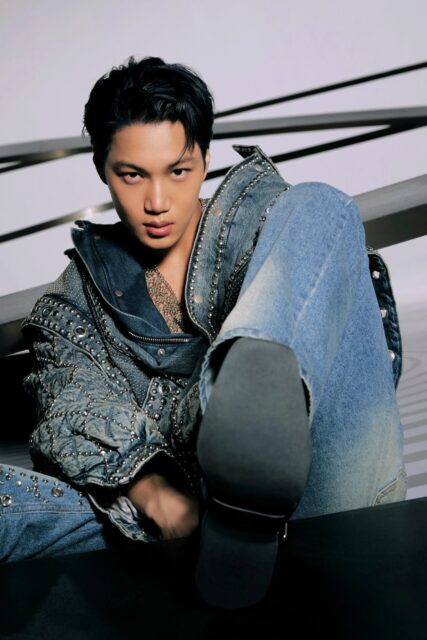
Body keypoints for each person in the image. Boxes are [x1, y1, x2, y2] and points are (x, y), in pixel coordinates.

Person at [0, 56, 406, 606]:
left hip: (328, 500)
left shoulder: (273, 224)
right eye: (132, 175)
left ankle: (249, 419)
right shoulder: (71, 304)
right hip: (180, 534)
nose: (157, 202)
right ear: (101, 168)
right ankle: (236, 510)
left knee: (322, 205)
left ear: (207, 158)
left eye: (178, 171)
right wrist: (157, 496)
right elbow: (74, 404)